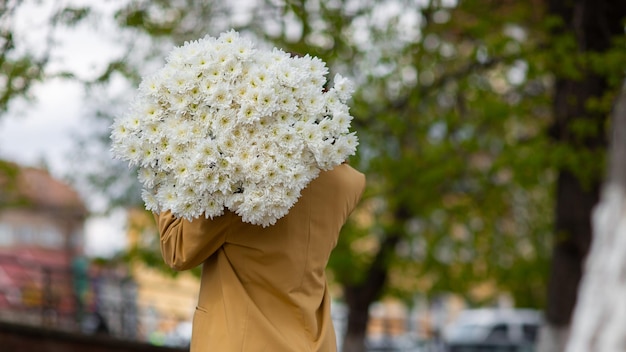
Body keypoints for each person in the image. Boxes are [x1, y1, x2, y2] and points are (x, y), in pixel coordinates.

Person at [153, 163, 366, 351]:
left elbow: (177, 248)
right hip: (316, 341)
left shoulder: (243, 179)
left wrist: (162, 170)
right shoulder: (346, 182)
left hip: (243, 341)